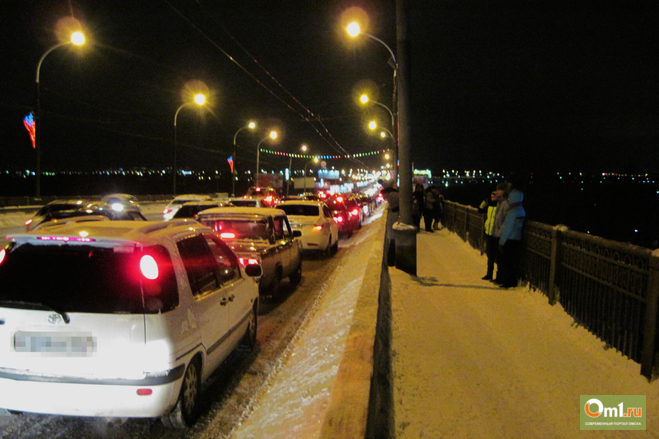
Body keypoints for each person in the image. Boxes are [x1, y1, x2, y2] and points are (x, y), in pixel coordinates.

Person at [498, 186, 526, 288]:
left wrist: (501, 242)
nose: (508, 199)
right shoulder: (521, 209)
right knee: (512, 261)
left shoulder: (512, 211)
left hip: (509, 240)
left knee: (507, 262)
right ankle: (511, 280)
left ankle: (508, 282)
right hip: (517, 238)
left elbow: (508, 228)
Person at [491, 182, 511, 284]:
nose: (497, 192)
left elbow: (506, 221)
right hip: (497, 234)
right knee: (499, 258)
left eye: (499, 190)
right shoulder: (500, 202)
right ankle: (499, 277)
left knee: (503, 258)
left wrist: (500, 234)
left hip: (502, 235)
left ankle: (503, 278)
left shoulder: (506, 203)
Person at [478, 190, 499, 280]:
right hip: (489, 232)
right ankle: (489, 274)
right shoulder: (489, 205)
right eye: (491, 197)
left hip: (496, 234)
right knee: (490, 255)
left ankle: (498, 275)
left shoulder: (499, 206)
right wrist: (484, 202)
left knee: (497, 256)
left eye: (494, 196)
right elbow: (480, 210)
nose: (492, 198)